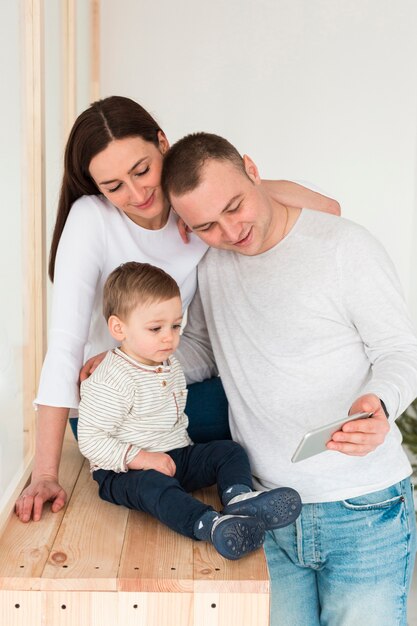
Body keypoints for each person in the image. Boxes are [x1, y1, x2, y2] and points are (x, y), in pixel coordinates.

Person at [15, 96, 339, 523]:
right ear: (97, 188)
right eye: (114, 187)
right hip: (113, 414)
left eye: (142, 170)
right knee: (263, 407)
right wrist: (45, 473)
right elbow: (64, 347)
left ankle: (242, 500)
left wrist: (214, 199)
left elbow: (328, 211)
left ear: (163, 144)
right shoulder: (90, 220)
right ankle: (211, 514)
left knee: (266, 388)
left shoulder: (192, 207)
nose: (136, 193)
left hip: (168, 387)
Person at [161, 132, 417, 626]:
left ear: (253, 170)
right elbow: (200, 351)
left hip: (363, 509)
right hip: (266, 510)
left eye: (235, 206)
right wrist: (135, 363)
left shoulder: (344, 247)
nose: (231, 231)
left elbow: (400, 350)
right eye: (207, 225)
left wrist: (380, 403)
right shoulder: (212, 266)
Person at [77, 261, 302, 560]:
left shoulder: (169, 363)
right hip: (122, 472)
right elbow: (91, 440)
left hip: (175, 454)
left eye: (175, 326)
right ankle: (211, 524)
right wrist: (143, 459)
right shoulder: (111, 379)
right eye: (155, 328)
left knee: (229, 451)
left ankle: (239, 499)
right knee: (154, 487)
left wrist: (175, 457)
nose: (169, 337)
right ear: (119, 328)